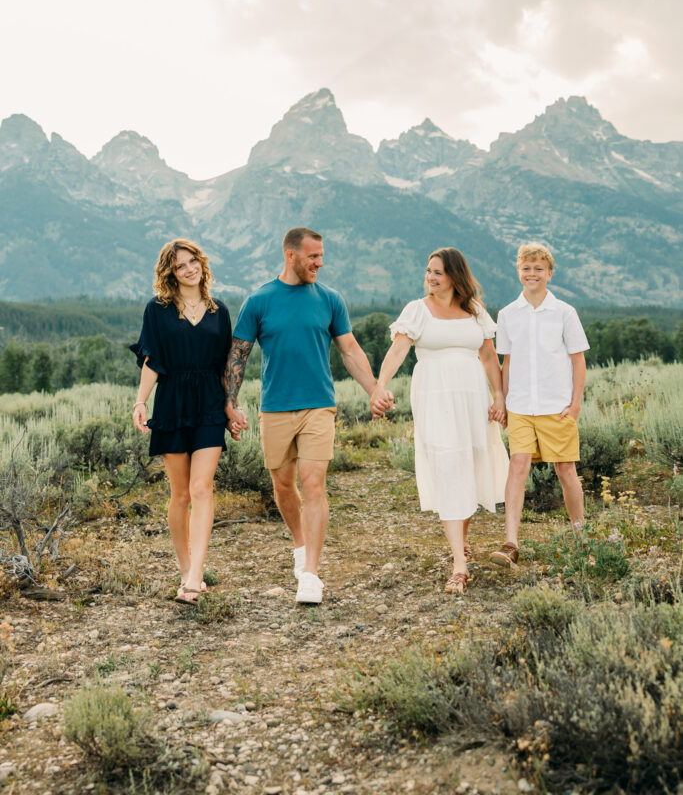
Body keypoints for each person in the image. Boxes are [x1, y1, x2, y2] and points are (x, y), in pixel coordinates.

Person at [225, 227, 391, 604]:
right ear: (291, 255)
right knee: (284, 486)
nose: (320, 262)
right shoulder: (259, 301)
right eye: (313, 256)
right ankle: (300, 546)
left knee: (313, 484)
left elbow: (350, 350)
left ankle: (311, 575)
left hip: (319, 404)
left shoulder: (330, 299)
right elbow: (238, 355)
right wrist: (230, 402)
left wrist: (374, 390)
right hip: (275, 407)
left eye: (321, 256)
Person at [371, 247, 509, 594]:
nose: (429, 277)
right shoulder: (417, 310)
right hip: (435, 396)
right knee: (448, 466)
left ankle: (462, 540)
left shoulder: (474, 310)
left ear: (454, 276)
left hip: (472, 398)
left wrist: (499, 396)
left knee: (469, 465)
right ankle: (459, 565)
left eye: (437, 272)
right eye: (428, 271)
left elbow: (489, 356)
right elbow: (398, 350)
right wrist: (379, 386)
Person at [131, 239, 232, 605]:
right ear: (170, 273)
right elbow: (152, 360)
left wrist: (232, 406)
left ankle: (195, 576)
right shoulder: (157, 310)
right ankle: (185, 567)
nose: (190, 269)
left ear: (201, 263)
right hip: (172, 401)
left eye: (193, 262)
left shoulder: (219, 311)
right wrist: (141, 401)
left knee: (202, 488)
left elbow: (226, 366)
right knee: (181, 494)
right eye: (180, 266)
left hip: (209, 403)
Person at [490, 243, 589, 568]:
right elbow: (506, 363)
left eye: (538, 269)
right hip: (520, 406)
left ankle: (581, 537)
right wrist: (503, 400)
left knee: (565, 470)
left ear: (549, 273)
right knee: (517, 466)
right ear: (518, 271)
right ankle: (511, 543)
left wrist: (575, 405)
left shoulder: (564, 312)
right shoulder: (507, 314)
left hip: (556, 407)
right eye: (526, 268)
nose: (531, 274)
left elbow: (578, 361)